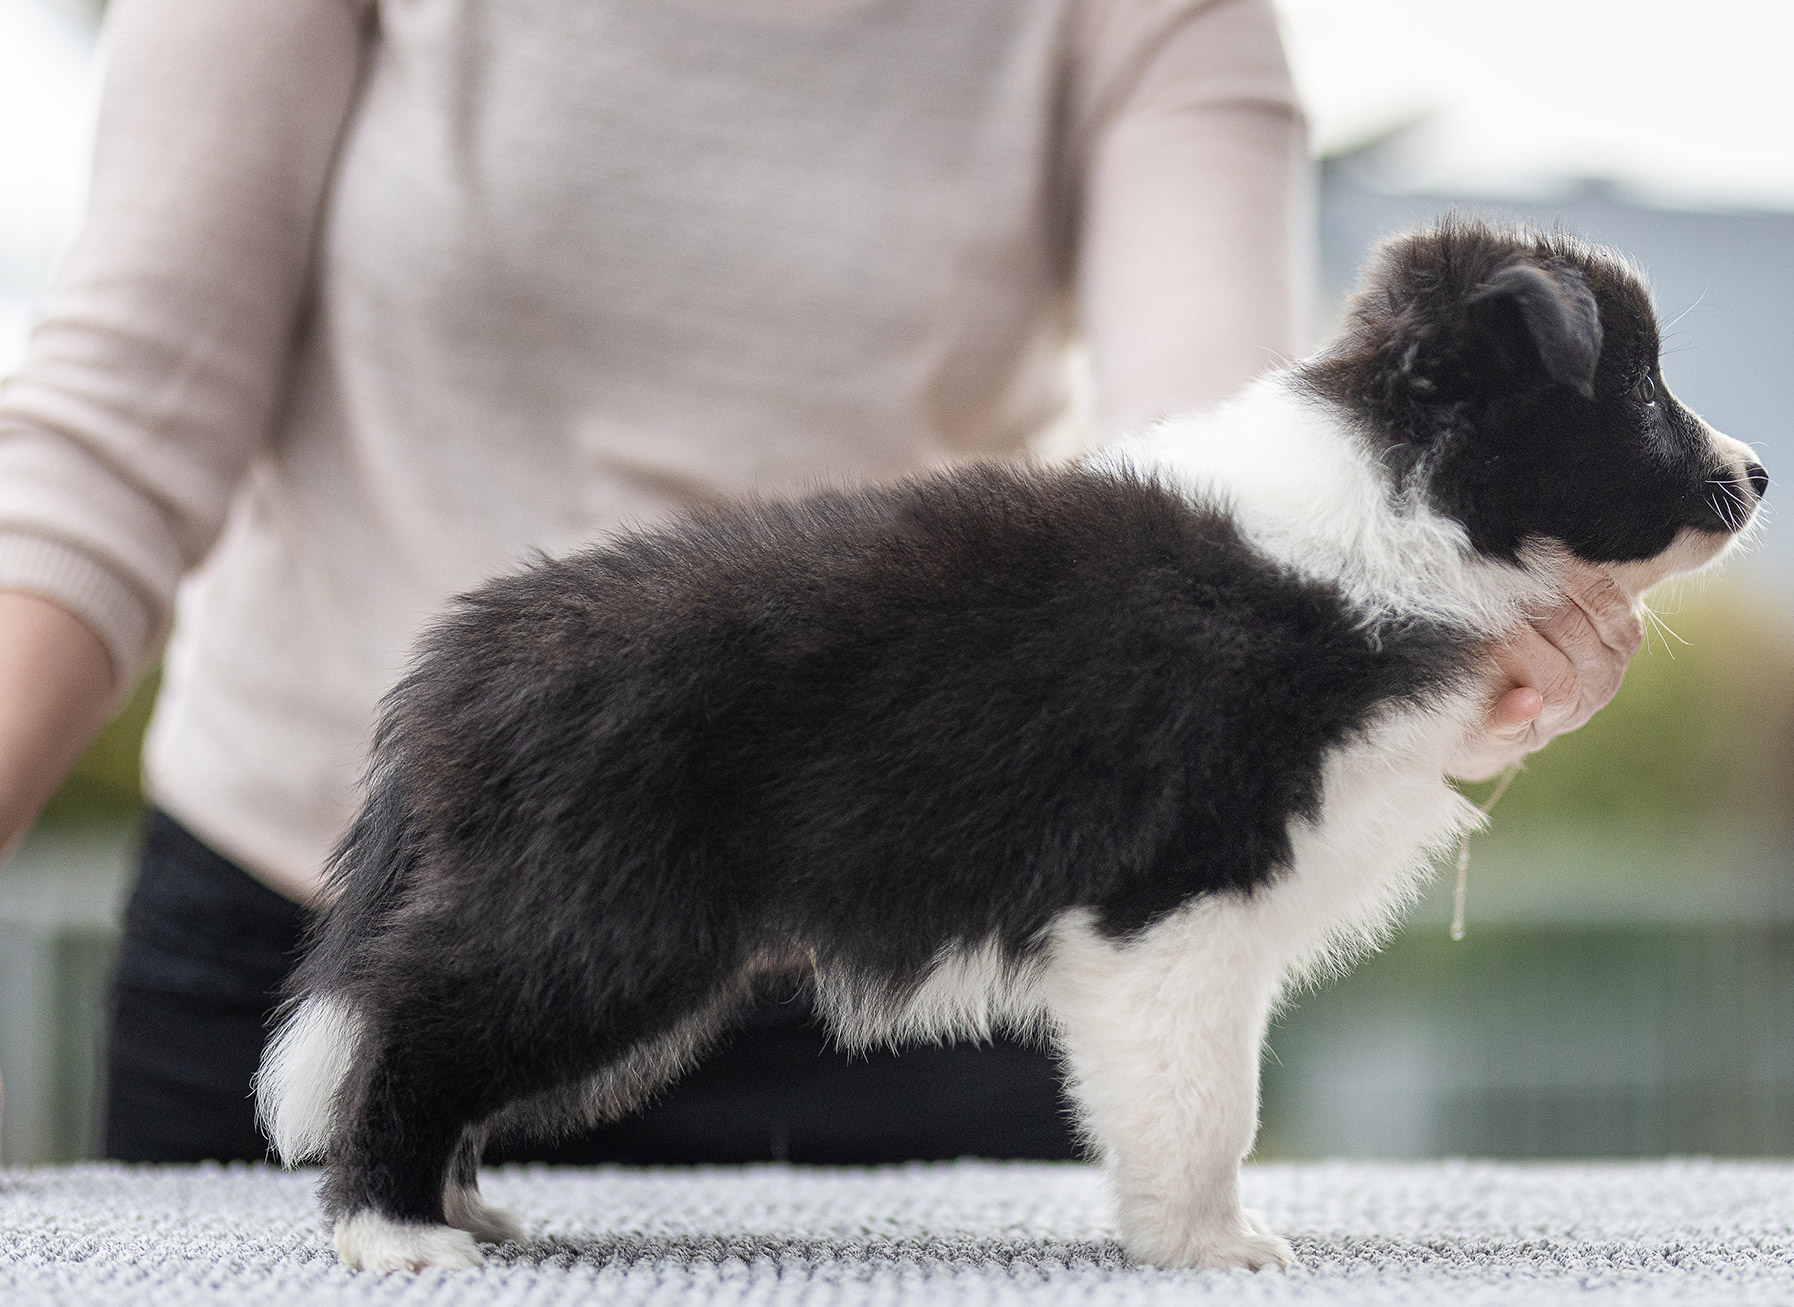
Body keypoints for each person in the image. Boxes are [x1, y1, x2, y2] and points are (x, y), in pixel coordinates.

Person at [0, 0, 1640, 1164]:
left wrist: (1453, 636)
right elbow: (106, 436)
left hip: (905, 971)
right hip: (352, 902)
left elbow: (1204, 494)